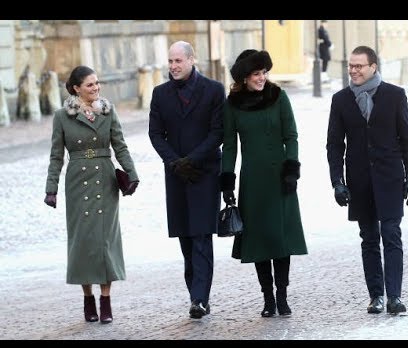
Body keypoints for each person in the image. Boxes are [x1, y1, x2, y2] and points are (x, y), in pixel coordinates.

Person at [326, 45, 408, 315]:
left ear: (373, 67)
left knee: (391, 235)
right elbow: (334, 145)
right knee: (368, 238)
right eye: (351, 66)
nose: (353, 70)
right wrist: (337, 181)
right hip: (359, 181)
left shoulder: (394, 95)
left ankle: (395, 297)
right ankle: (376, 296)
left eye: (359, 66)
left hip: (390, 178)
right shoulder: (341, 100)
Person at [44, 65, 139, 324]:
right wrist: (50, 189)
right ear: (76, 88)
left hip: (105, 180)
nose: (96, 88)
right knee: (83, 242)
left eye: (97, 83)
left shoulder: (108, 112)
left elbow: (120, 145)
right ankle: (88, 299)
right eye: (90, 85)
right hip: (77, 182)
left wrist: (132, 174)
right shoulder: (63, 116)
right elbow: (56, 156)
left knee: (105, 240)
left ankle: (106, 301)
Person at [220, 49, 308, 318]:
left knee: (280, 239)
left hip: (280, 179)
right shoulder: (233, 104)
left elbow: (291, 136)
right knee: (259, 242)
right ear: (244, 78)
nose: (262, 78)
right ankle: (268, 298)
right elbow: (230, 148)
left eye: (264, 73)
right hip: (253, 182)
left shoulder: (278, 96)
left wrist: (291, 170)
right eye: (256, 74)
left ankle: (282, 295)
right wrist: (227, 181)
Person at [148, 41, 225, 319]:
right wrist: (175, 162)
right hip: (176, 175)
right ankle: (195, 292)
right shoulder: (160, 94)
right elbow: (155, 134)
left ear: (192, 60)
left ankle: (199, 299)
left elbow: (218, 132)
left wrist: (193, 160)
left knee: (201, 235)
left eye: (178, 61)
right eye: (170, 61)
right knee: (185, 237)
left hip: (204, 174)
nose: (173, 66)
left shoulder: (214, 90)